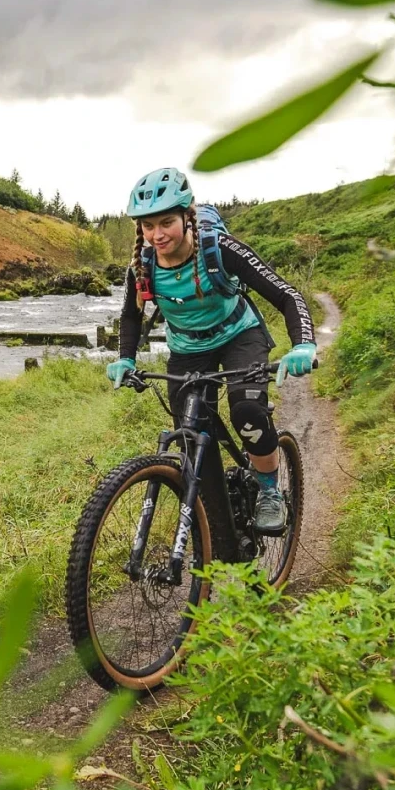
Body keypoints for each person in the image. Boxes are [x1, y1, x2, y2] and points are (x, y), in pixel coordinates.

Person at [104, 167, 316, 534]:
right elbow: (130, 316)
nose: (157, 235)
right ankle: (219, 529)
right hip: (188, 349)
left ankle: (268, 490)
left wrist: (303, 345)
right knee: (191, 442)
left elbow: (286, 295)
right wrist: (125, 358)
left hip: (239, 337)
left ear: (188, 216)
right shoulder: (142, 266)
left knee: (247, 409)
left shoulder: (221, 250)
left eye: (166, 222)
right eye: (147, 226)